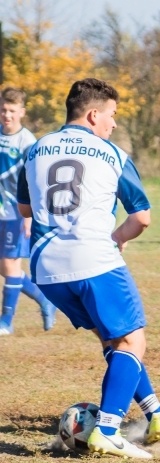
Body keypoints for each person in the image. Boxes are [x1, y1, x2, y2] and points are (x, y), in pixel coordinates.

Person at [17, 78, 160, 459]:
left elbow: (24, 209)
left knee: (113, 339)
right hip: (93, 258)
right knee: (132, 340)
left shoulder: (36, 149)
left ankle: (155, 414)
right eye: (112, 115)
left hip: (46, 267)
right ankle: (107, 429)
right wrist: (117, 238)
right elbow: (143, 218)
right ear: (93, 114)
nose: (114, 124)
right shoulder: (112, 153)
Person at [0, 87, 57, 335]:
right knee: (5, 268)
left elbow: (36, 181)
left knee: (10, 266)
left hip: (16, 212)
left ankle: (6, 322)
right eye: (3, 109)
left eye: (12, 110)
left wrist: (30, 216)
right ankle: (44, 299)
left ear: (21, 112)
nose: (7, 115)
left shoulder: (28, 143)